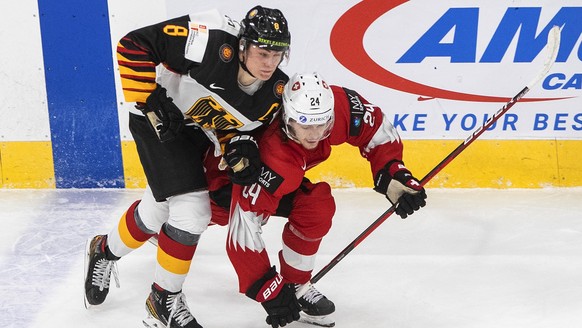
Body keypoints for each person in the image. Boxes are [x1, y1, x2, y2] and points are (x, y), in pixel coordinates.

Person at [83, 6, 291, 328]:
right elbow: (133, 45)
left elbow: (245, 131)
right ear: (243, 44)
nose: (269, 63)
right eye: (262, 52)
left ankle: (104, 249)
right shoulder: (209, 40)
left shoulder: (275, 91)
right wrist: (149, 99)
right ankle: (162, 301)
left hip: (200, 131)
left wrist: (241, 150)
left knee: (158, 210)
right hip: (158, 122)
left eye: (277, 55)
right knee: (193, 211)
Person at [204, 72, 428, 327]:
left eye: (321, 124)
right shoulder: (273, 154)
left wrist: (392, 172)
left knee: (315, 206)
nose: (314, 134)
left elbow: (373, 127)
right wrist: (268, 290)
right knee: (194, 216)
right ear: (288, 119)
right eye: (305, 125)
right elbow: (242, 232)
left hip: (278, 178)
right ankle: (159, 225)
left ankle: (296, 284)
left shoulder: (336, 106)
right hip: (221, 177)